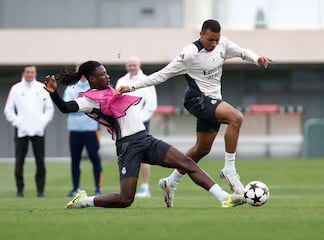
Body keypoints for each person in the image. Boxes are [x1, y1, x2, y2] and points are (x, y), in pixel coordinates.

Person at [43, 60, 244, 209]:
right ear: (92, 79)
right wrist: (53, 93)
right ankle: (84, 201)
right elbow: (66, 108)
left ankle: (225, 198)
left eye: (106, 73)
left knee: (187, 163)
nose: (107, 76)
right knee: (125, 200)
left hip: (145, 139)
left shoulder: (112, 89)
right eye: (103, 74)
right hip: (128, 147)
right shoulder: (89, 100)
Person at [117, 19, 272, 208]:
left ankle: (170, 182)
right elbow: (162, 74)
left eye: (216, 39)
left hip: (213, 100)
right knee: (236, 117)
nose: (214, 43)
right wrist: (132, 86)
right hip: (197, 99)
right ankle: (229, 170)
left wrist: (257, 59)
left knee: (201, 149)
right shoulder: (189, 54)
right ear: (201, 34)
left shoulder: (222, 44)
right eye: (210, 40)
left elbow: (242, 52)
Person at [4, 64, 54, 197]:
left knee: (40, 162)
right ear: (24, 73)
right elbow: (8, 109)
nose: (30, 74)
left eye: (32, 72)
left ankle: (40, 191)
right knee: (19, 162)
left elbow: (49, 109)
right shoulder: (16, 89)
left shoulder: (42, 88)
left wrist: (42, 123)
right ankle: (20, 191)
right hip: (21, 131)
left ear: (35, 73)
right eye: (28, 72)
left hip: (38, 130)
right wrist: (18, 122)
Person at [115, 56, 157, 198]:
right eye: (130, 65)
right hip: (125, 124)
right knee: (125, 153)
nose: (132, 67)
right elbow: (116, 101)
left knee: (144, 155)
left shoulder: (147, 80)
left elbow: (151, 104)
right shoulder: (121, 81)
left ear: (139, 65)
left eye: (134, 65)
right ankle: (126, 188)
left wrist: (140, 119)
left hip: (142, 123)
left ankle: (145, 188)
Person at [63, 74, 103, 197]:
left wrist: (80, 107)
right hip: (74, 129)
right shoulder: (70, 88)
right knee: (75, 160)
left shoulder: (95, 88)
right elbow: (68, 107)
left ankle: (98, 188)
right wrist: (86, 108)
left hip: (91, 129)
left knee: (95, 158)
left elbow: (97, 106)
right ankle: (75, 188)